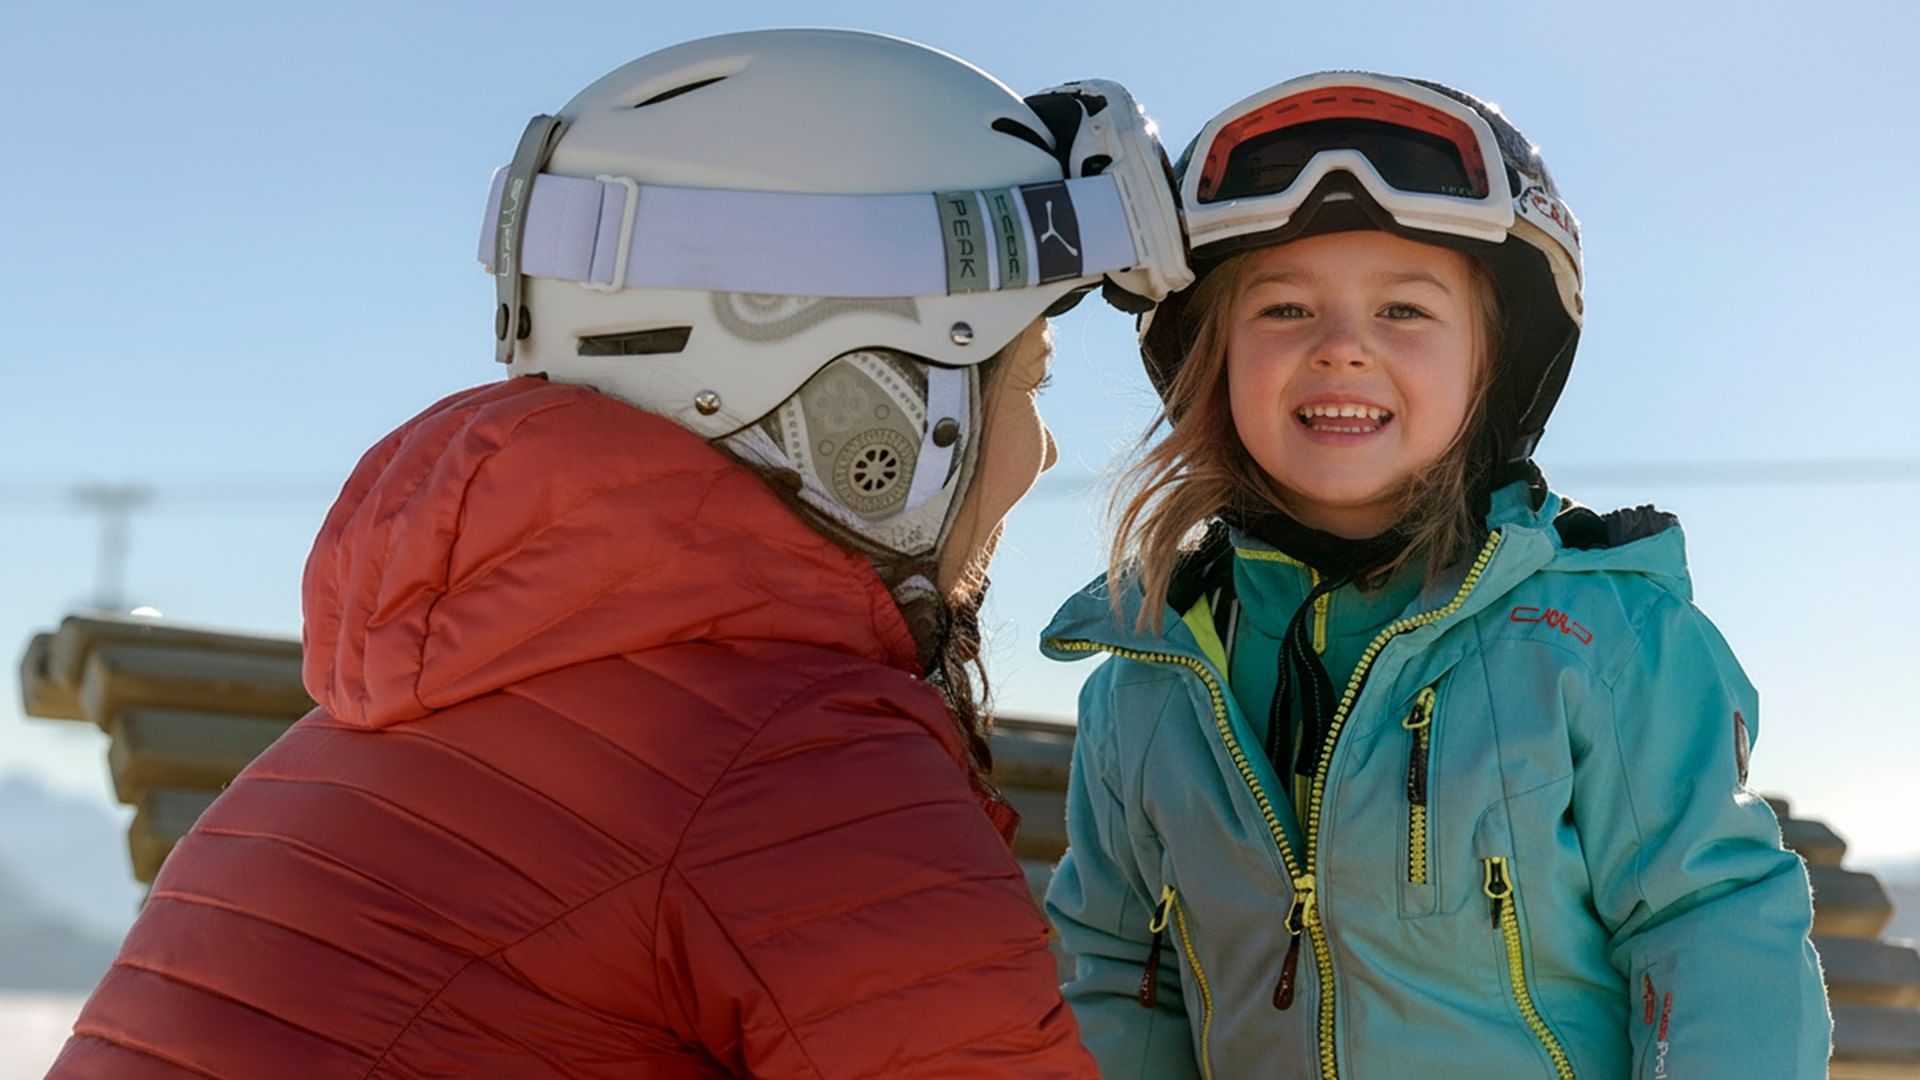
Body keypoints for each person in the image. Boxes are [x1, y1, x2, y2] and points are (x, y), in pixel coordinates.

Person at [49, 29, 1190, 1078]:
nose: (1040, 456)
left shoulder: (423, 703)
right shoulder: (792, 766)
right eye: (1026, 382)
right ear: (866, 415)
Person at [1042, 70, 1831, 1078]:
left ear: (1491, 366)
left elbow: (1713, 932)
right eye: (1283, 309)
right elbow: (1117, 979)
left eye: (1403, 312)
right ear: (1209, 360)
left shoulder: (1603, 639)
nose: (1340, 349)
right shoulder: (1150, 686)